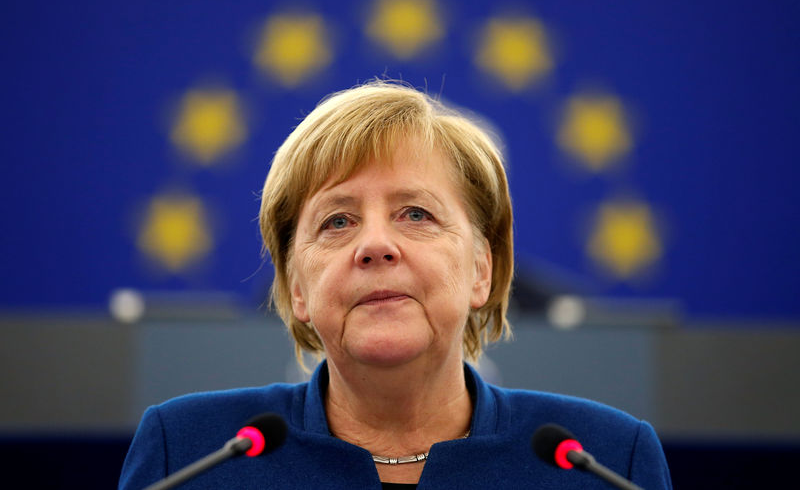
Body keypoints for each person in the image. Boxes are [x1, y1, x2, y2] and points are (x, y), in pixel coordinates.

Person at [119, 81, 672, 489]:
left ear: (481, 268)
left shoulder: (605, 460)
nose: (375, 245)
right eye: (337, 221)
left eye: (415, 214)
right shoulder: (189, 452)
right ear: (296, 290)